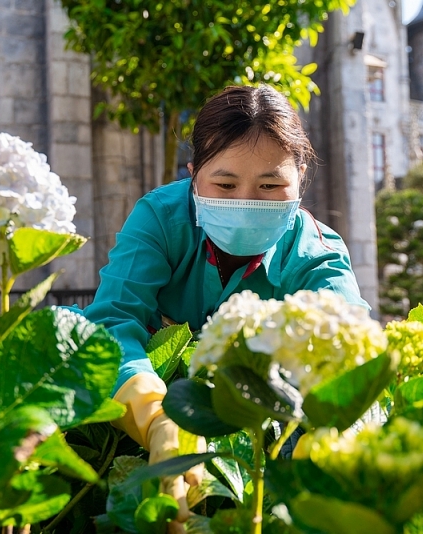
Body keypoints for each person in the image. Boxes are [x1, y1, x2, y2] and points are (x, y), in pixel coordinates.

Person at [82, 84, 368, 530]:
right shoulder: (160, 218)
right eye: (225, 183)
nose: (245, 201)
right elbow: (113, 321)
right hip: (142, 425)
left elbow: (348, 357)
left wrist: (325, 442)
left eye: (270, 185)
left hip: (268, 433)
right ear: (194, 174)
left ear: (301, 178)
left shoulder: (318, 254)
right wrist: (156, 420)